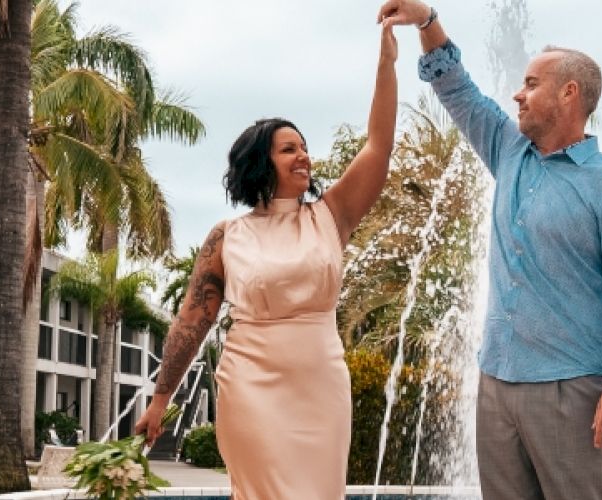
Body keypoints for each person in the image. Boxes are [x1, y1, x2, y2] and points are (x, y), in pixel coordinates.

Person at [379, 1, 602, 499]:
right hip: (497, 381)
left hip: (571, 387)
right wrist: (426, 21)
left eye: (531, 84)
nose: (517, 94)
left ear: (569, 94)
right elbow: (456, 88)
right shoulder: (509, 151)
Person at [131, 24, 401, 500]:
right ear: (261, 162)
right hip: (250, 388)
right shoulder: (227, 237)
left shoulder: (331, 217)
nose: (304, 157)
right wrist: (159, 401)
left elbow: (378, 147)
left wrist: (386, 66)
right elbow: (192, 321)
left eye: (304, 148)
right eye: (289, 149)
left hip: (321, 386)